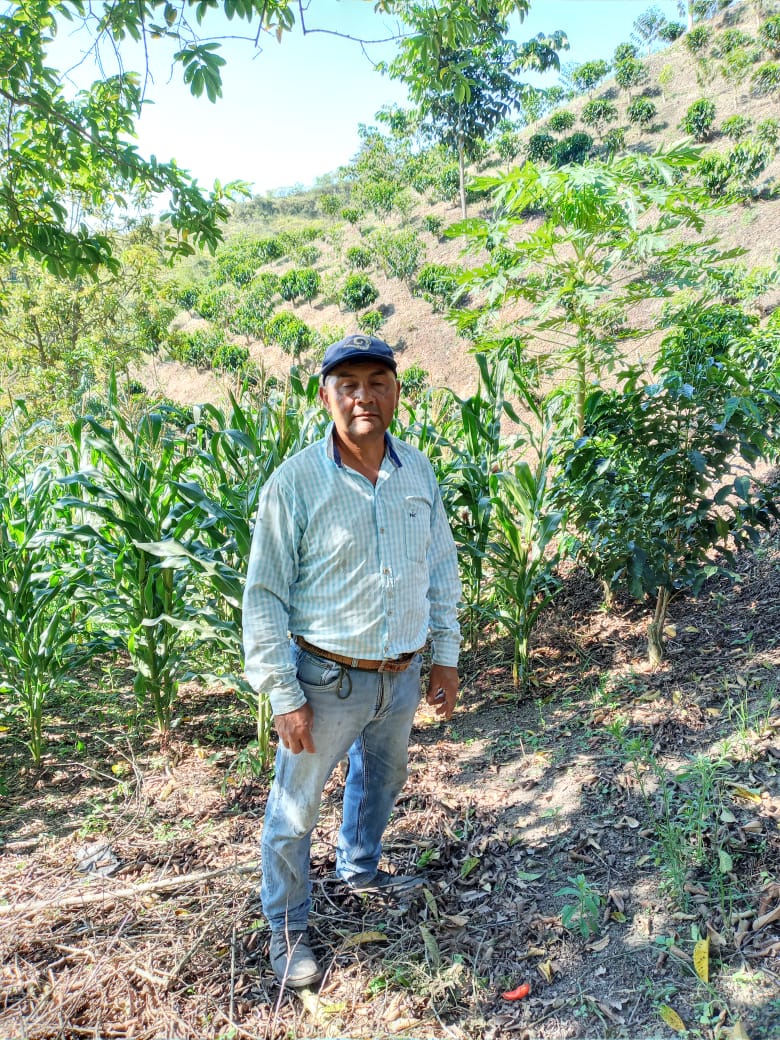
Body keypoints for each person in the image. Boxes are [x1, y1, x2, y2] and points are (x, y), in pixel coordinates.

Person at [242, 333, 461, 989]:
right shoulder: (297, 482)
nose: (363, 395)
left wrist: (444, 656)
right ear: (326, 395)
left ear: (396, 391)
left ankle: (358, 870)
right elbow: (263, 595)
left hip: (400, 677)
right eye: (348, 384)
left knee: (383, 780)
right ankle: (286, 932)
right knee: (293, 813)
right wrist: (283, 693)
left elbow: (440, 569)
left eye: (377, 381)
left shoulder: (416, 472)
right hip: (325, 679)